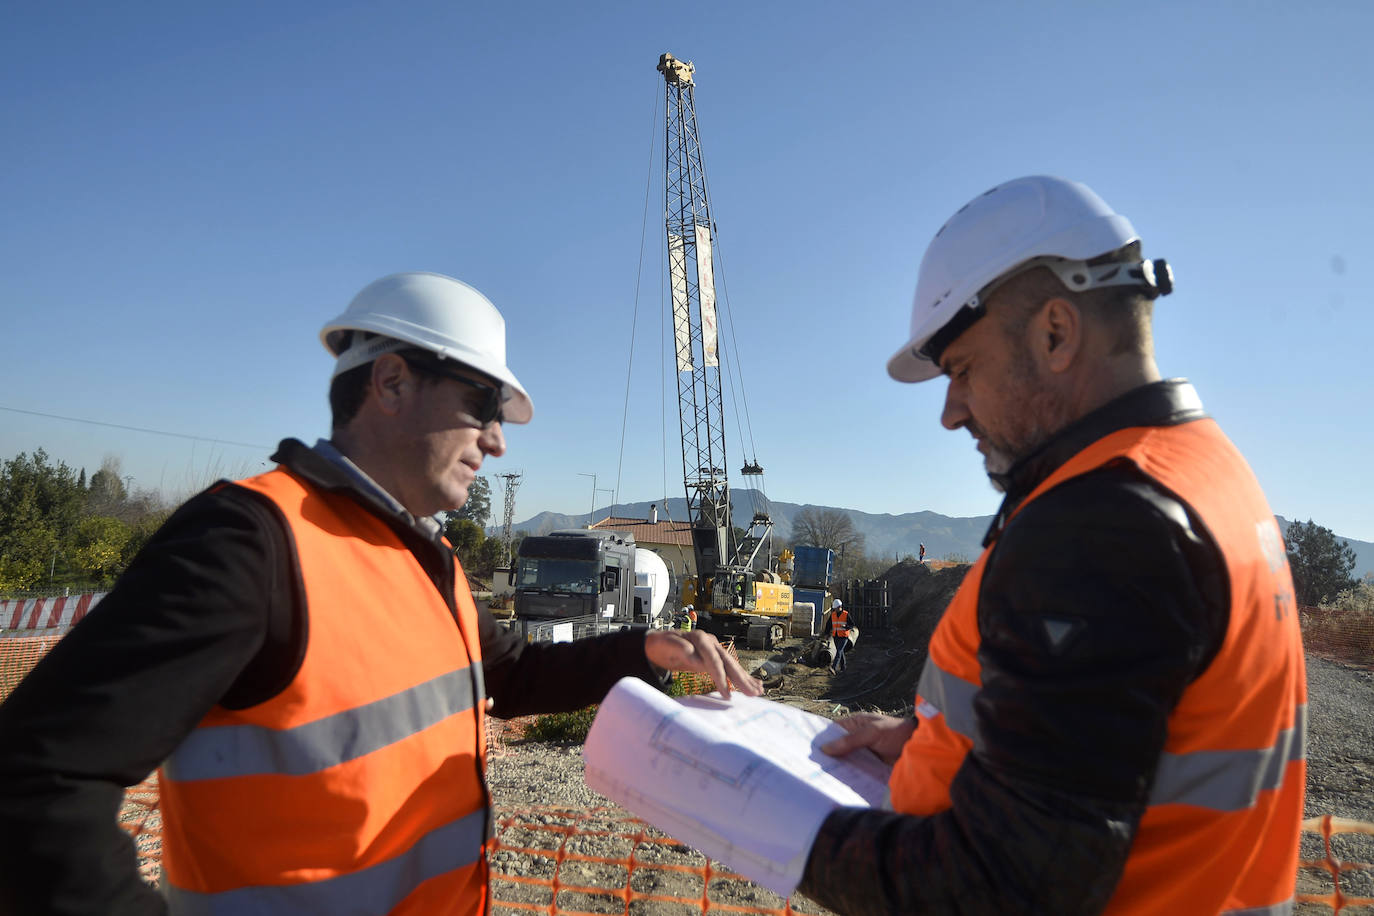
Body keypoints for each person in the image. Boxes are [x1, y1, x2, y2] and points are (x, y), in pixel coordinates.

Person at [0, 271, 760, 916]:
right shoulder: (251, 544)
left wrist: (647, 647)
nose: (497, 441)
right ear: (392, 381)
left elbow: (513, 674)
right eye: (483, 405)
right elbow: (35, 780)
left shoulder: (425, 557)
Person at [797, 176, 1306, 914]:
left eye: (962, 371)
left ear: (1056, 333)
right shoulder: (1201, 471)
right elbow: (1115, 744)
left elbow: (1006, 888)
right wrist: (930, 743)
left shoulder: (1102, 526)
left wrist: (782, 828)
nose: (950, 413)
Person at [825, 598, 852, 675]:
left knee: (839, 651)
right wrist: (826, 633)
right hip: (836, 636)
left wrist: (846, 626)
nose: (835, 610)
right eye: (834, 609)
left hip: (844, 636)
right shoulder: (833, 615)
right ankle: (843, 667)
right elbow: (828, 625)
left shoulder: (846, 614)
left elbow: (851, 624)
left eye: (836, 608)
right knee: (841, 651)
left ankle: (833, 667)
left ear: (840, 607)